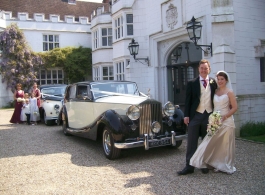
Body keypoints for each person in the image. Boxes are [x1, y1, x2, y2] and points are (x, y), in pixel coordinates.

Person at [190, 71, 237, 174]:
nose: (220, 81)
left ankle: (224, 165)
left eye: (222, 79)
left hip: (227, 121)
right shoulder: (215, 91)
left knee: (225, 144)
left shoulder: (230, 92)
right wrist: (213, 118)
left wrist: (225, 116)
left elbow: (234, 108)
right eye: (218, 79)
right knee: (210, 141)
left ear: (226, 80)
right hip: (215, 120)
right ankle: (209, 161)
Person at [177, 59, 217, 175]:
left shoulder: (213, 83)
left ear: (209, 69)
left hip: (209, 115)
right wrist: (186, 115)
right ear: (198, 69)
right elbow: (188, 100)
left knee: (206, 142)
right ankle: (189, 166)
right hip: (196, 115)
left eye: (206, 68)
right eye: (202, 68)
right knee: (191, 142)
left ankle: (203, 164)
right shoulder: (192, 83)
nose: (204, 70)